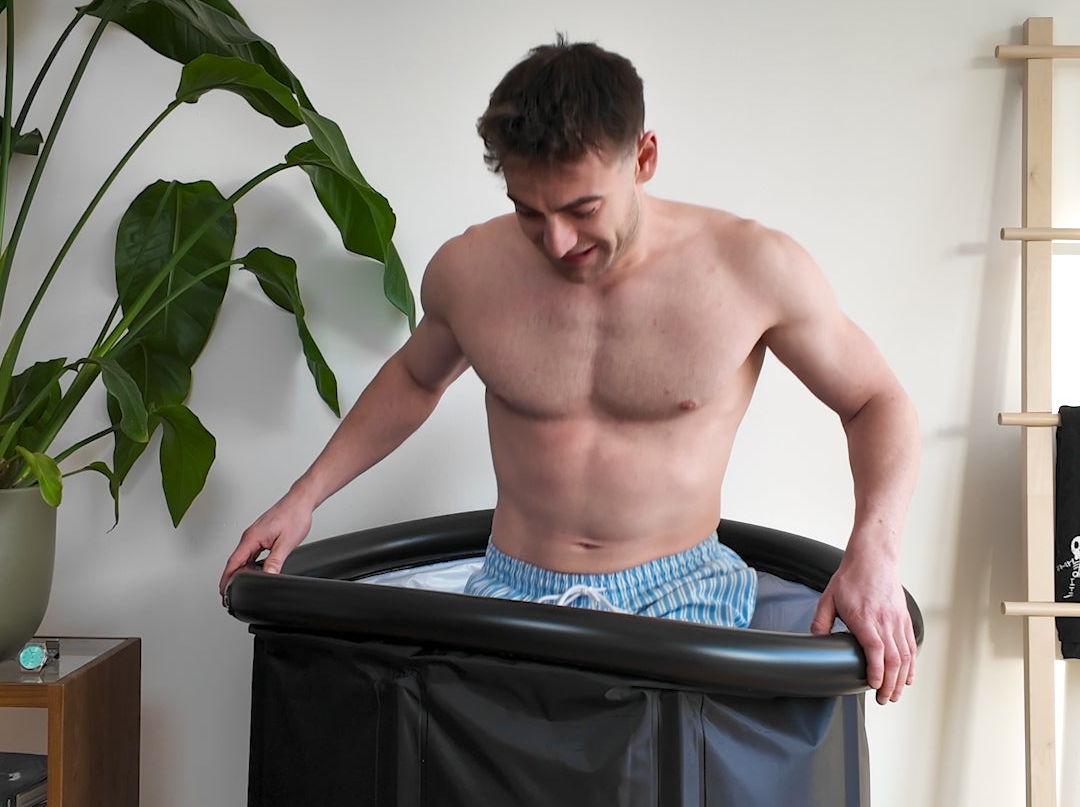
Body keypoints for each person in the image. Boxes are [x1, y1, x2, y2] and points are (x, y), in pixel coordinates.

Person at [220, 39, 919, 703]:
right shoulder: (470, 270)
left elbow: (874, 401)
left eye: (583, 209)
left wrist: (875, 550)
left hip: (685, 597)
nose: (557, 241)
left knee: (664, 793)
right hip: (511, 594)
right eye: (528, 212)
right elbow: (415, 379)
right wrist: (303, 497)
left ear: (643, 158)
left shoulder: (752, 268)